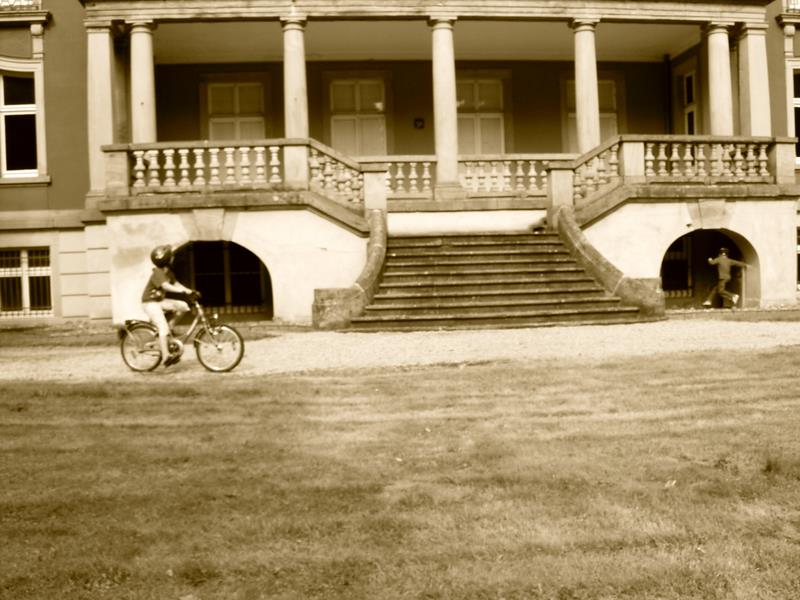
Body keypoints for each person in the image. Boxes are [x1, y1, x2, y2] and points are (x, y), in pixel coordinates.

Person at [141, 244, 195, 367]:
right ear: (166, 259)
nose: (173, 258)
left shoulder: (168, 272)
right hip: (149, 303)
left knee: (183, 306)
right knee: (162, 327)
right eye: (171, 256)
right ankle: (166, 356)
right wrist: (182, 292)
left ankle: (170, 327)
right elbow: (165, 286)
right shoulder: (158, 272)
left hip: (159, 301)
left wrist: (190, 291)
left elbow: (176, 284)